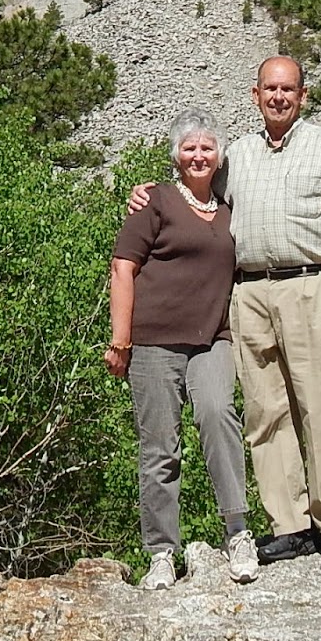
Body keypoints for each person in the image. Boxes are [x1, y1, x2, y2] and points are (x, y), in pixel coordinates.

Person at [130, 58, 321, 574]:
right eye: (270, 88)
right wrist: (147, 192)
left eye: (288, 89)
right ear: (255, 94)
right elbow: (196, 187)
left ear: (303, 95)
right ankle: (289, 525)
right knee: (265, 412)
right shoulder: (239, 155)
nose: (278, 97)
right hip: (250, 294)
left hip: (314, 284)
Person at [107, 109, 258, 590]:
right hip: (154, 342)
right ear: (176, 155)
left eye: (207, 147)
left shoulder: (231, 208)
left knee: (218, 416)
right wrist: (120, 341)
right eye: (189, 147)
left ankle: (238, 531)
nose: (198, 155)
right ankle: (161, 553)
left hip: (212, 338)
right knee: (160, 447)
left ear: (219, 156)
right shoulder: (155, 202)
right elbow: (122, 268)